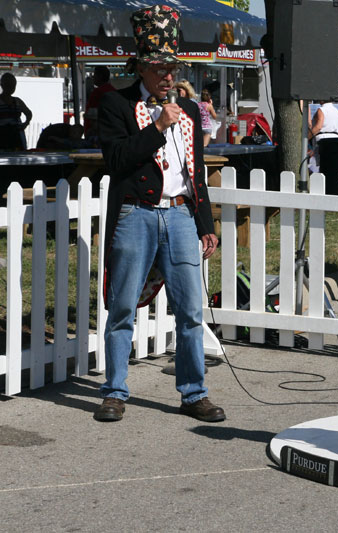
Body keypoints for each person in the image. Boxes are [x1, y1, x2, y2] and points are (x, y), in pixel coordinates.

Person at [94, 5, 224, 423]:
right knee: (122, 307)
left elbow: (195, 174)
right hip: (137, 214)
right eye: (160, 68)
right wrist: (156, 128)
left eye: (172, 67)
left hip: (182, 216)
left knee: (189, 311)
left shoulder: (187, 113)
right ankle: (114, 390)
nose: (169, 75)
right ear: (142, 69)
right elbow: (116, 160)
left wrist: (207, 225)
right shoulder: (116, 104)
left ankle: (193, 393)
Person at [307, 100, 338, 173]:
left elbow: (318, 126)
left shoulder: (321, 110)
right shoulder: (337, 112)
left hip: (322, 139)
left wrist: (307, 138)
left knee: (320, 163)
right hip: (335, 139)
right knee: (332, 163)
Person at [0, 73, 32, 151]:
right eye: (8, 85)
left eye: (13, 85)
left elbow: (29, 113)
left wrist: (25, 124)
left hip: (17, 136)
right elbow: (28, 113)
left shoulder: (17, 101)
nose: (11, 87)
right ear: (2, 85)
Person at [84, 66, 116, 138]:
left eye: (95, 75)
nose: (93, 78)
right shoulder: (113, 90)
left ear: (100, 76)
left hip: (96, 131)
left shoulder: (98, 92)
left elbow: (92, 112)